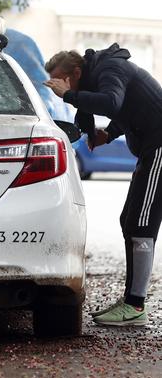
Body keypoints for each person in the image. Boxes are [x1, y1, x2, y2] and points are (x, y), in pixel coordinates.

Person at [44, 43, 162, 326]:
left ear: (76, 72)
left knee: (141, 223)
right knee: (130, 221)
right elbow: (131, 110)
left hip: (159, 146)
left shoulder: (110, 68)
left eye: (62, 80)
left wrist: (69, 95)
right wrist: (108, 134)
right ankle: (133, 300)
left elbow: (112, 103)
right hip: (150, 147)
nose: (59, 87)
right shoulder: (100, 73)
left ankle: (135, 306)